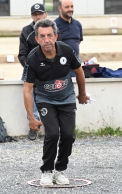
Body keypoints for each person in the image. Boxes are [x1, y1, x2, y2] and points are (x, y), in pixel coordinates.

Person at [22, 19, 89, 186]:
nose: (47, 40)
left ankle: (60, 170)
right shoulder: (33, 58)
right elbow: (27, 89)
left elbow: (79, 72)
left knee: (68, 135)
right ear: (37, 39)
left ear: (56, 36)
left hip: (66, 99)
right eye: (42, 36)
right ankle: (46, 171)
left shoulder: (66, 50)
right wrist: (31, 117)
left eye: (50, 35)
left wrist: (81, 94)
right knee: (52, 134)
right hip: (45, 100)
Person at [18, 3, 48, 141]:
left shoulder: (52, 29)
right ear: (32, 16)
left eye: (40, 13)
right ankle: (33, 126)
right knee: (30, 93)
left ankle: (52, 125)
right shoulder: (26, 31)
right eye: (35, 14)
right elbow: (22, 55)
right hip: (32, 70)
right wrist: (31, 69)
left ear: (45, 14)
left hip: (50, 69)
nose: (38, 16)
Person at [54, 0, 83, 77]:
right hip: (60, 67)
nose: (70, 9)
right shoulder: (53, 25)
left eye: (72, 6)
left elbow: (78, 42)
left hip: (76, 66)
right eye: (67, 7)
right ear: (59, 8)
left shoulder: (78, 24)